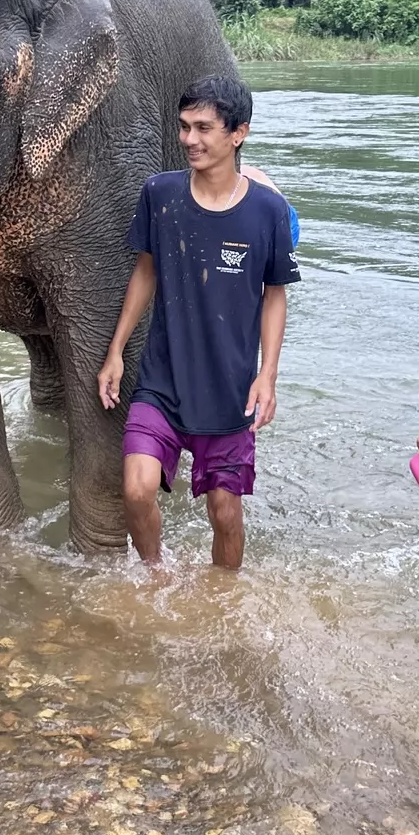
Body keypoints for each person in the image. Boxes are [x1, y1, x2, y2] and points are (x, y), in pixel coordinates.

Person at [97, 75, 299, 568]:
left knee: (224, 511)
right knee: (136, 488)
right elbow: (145, 272)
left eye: (204, 128)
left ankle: (222, 599)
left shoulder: (268, 210)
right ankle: (157, 577)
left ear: (239, 133)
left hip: (229, 390)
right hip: (162, 381)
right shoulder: (160, 195)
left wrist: (267, 374)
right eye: (184, 127)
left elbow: (275, 295)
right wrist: (116, 352)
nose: (190, 140)